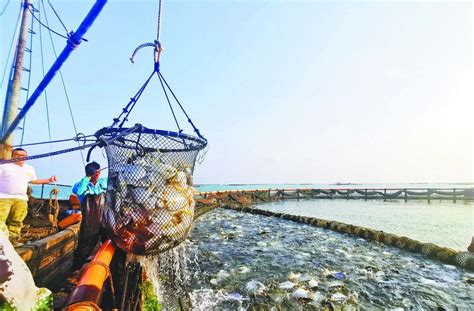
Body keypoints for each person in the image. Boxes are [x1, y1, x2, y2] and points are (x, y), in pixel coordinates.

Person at [0, 148, 56, 241]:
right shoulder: (4, 165)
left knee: (17, 221)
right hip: (3, 198)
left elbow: (34, 180)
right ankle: (2, 240)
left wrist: (49, 180)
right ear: (12, 156)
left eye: (23, 155)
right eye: (17, 155)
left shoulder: (29, 168)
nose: (20, 157)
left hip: (21, 199)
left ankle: (13, 240)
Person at [71, 161, 107, 270]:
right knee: (85, 246)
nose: (97, 175)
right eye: (95, 173)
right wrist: (87, 177)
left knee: (108, 243)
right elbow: (80, 191)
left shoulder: (103, 182)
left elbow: (116, 183)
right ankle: (76, 269)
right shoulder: (80, 185)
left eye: (98, 173)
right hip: (90, 222)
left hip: (105, 220)